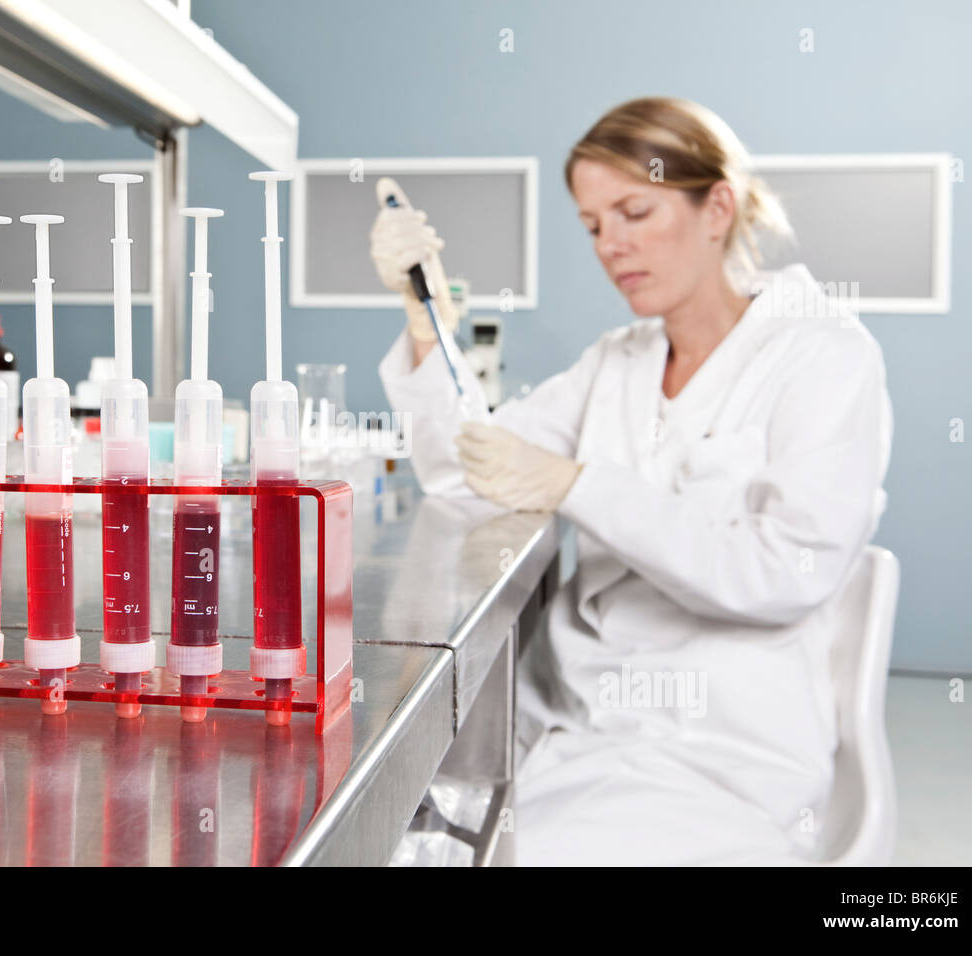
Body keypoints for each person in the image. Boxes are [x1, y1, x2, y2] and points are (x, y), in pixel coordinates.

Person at [371, 97, 893, 865]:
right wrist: (428, 332)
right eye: (592, 226)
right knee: (411, 844)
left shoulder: (824, 357)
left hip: (719, 745)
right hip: (574, 720)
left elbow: (788, 569)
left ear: (718, 206)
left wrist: (580, 484)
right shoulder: (616, 361)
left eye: (635, 211)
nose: (612, 244)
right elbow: (462, 470)